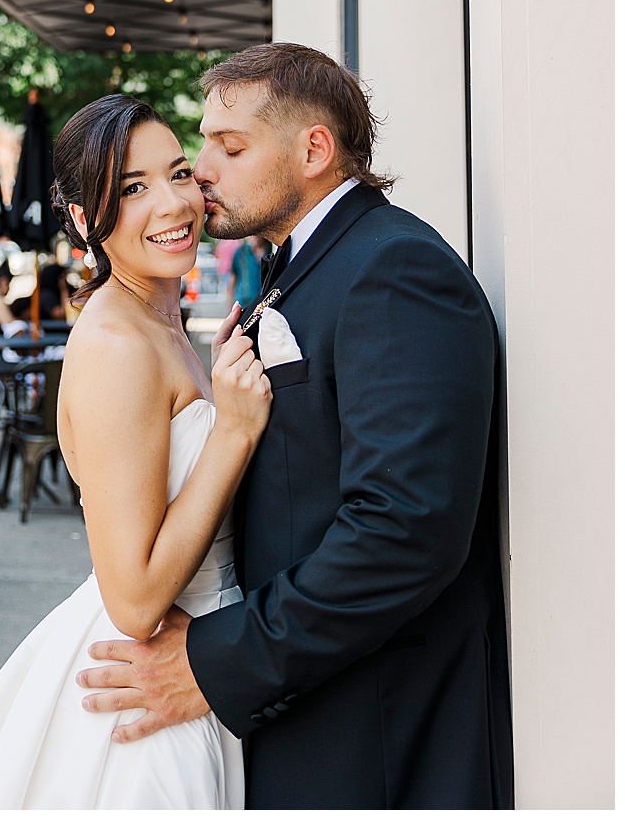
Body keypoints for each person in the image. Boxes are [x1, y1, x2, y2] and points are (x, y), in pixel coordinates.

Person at [73, 43, 511, 808]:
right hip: (295, 710)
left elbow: (403, 530)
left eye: (227, 147)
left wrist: (218, 661)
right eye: (198, 149)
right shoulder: (301, 269)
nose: (201, 172)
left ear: (314, 148)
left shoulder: (394, 269)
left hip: (370, 731)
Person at [0, 93, 270, 807]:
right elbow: (136, 599)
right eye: (132, 189)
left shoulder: (160, 320)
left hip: (201, 659)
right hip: (147, 686)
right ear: (84, 221)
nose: (171, 203)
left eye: (177, 173)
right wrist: (232, 431)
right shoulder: (115, 346)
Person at [228, 234, 269, 314]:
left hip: (264, 304)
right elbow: (233, 280)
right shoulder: (241, 252)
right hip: (244, 304)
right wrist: (230, 307)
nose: (254, 237)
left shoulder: (271, 250)